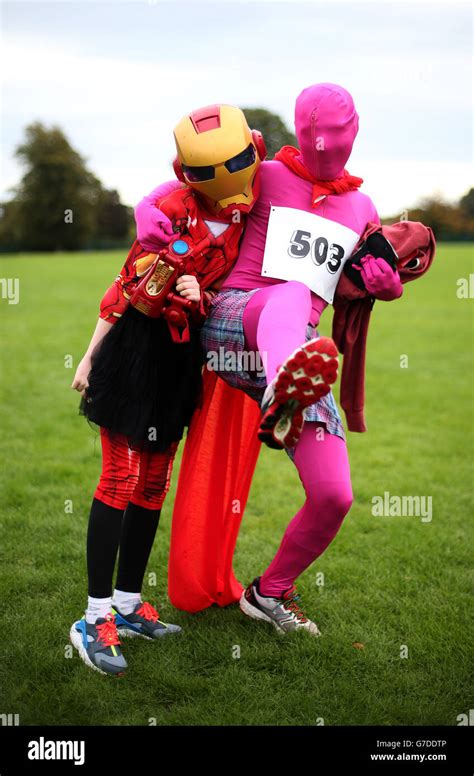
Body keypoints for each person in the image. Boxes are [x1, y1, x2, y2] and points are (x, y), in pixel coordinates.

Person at [134, 84, 407, 636]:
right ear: (298, 133)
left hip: (301, 354)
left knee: (334, 495)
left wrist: (387, 284)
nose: (323, 143)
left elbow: (369, 279)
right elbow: (185, 183)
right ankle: (284, 390)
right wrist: (145, 210)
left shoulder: (364, 210)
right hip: (232, 324)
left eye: (334, 131)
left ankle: (269, 592)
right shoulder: (267, 174)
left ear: (356, 131)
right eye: (311, 133)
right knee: (286, 293)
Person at [69, 104, 266, 675]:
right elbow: (126, 284)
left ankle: (129, 605)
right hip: (136, 349)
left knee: (154, 481)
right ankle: (93, 620)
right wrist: (90, 353)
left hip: (183, 355)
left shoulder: (249, 214)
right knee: (120, 477)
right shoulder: (173, 210)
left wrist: (195, 294)